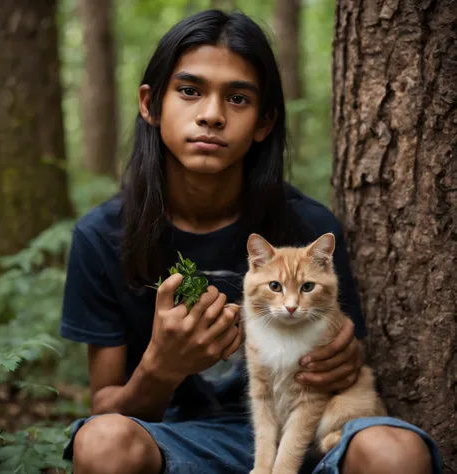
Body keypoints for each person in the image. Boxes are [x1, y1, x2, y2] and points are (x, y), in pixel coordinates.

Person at [60, 9, 441, 474]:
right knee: (102, 442)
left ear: (263, 122)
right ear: (150, 104)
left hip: (310, 434)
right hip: (183, 441)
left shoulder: (306, 227)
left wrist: (343, 357)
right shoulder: (102, 237)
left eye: (238, 99)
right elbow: (106, 409)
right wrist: (161, 366)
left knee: (394, 451)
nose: (212, 115)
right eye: (189, 90)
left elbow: (346, 360)